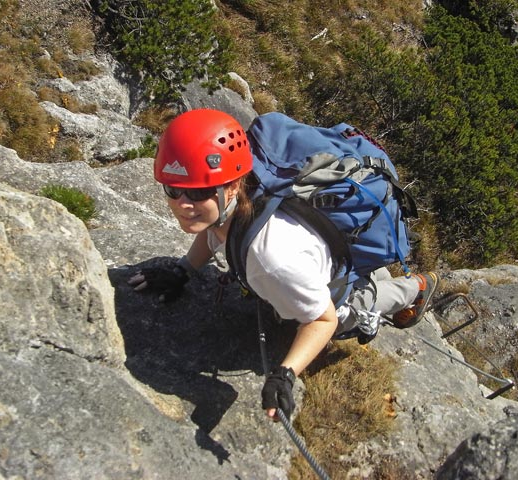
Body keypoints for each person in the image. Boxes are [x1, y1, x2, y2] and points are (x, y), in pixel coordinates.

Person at [128, 109, 439, 421]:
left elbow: (322, 321)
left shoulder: (270, 260)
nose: (183, 204)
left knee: (347, 315)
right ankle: (366, 271)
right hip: (316, 252)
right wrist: (183, 270)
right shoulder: (234, 199)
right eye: (173, 189)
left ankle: (415, 288)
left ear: (233, 187)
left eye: (199, 192)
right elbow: (215, 233)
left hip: (319, 279)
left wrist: (285, 374)